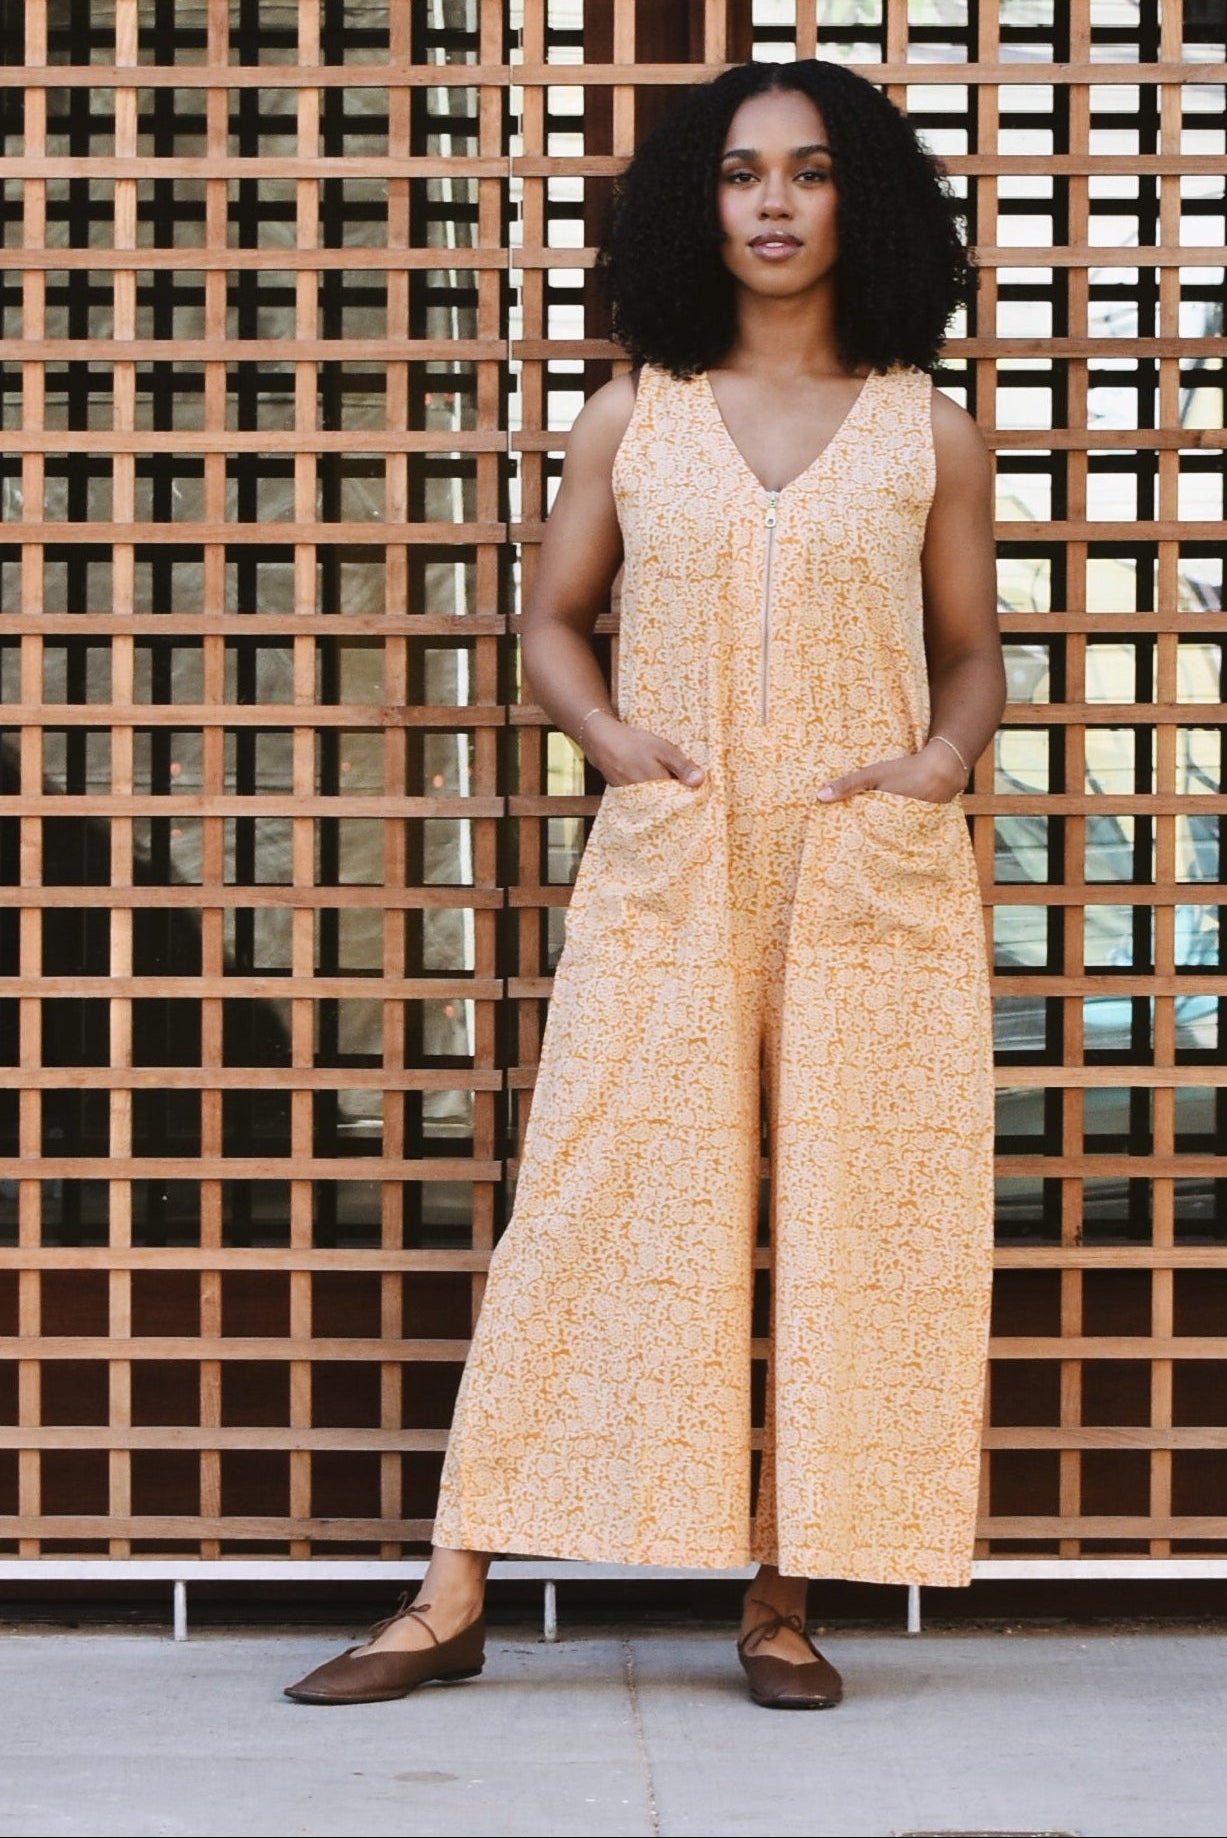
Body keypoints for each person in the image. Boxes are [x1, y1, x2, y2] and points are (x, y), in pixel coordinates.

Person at [286, 56, 1005, 1712]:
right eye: (742, 173)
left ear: (862, 203)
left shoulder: (928, 431)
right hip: (673, 853)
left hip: (859, 859)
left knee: (854, 1213)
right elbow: (550, 620)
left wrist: (937, 765)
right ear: (699, 204)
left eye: (810, 171)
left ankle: (783, 1595)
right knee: (590, 1195)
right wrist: (610, 740)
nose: (774, 202)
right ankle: (452, 1589)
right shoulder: (636, 414)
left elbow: (972, 652)